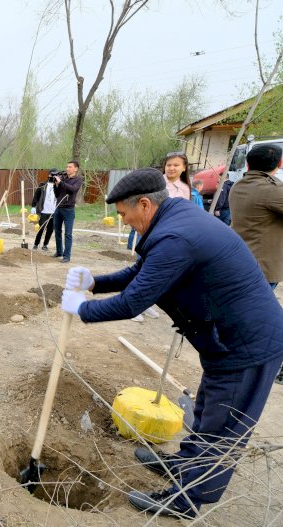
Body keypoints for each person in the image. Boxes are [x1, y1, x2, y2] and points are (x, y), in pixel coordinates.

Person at [61, 167, 283, 519]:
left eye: (124, 214)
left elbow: (134, 301)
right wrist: (95, 282)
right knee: (209, 407)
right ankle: (182, 464)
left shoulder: (175, 238)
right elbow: (141, 273)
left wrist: (84, 310)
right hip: (226, 341)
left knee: (222, 427)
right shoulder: (174, 220)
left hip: (247, 345)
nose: (124, 222)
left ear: (145, 204)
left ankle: (185, 501)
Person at [229, 143, 283, 385]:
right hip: (262, 267)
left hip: (240, 262)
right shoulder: (269, 191)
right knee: (264, 320)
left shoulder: (240, 185)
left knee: (247, 316)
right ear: (279, 164)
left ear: (248, 164)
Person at [51, 160, 83, 263]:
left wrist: (61, 183)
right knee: (57, 232)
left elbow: (72, 190)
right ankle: (59, 251)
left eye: (70, 167)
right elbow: (57, 195)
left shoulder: (78, 179)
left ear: (75, 168)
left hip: (69, 210)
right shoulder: (63, 178)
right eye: (67, 167)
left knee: (68, 234)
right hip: (58, 208)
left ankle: (66, 256)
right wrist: (55, 185)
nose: (67, 169)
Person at [31, 170, 57, 250]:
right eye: (53, 175)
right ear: (49, 175)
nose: (55, 176)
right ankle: (36, 244)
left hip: (54, 212)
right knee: (41, 229)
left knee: (50, 230)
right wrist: (33, 206)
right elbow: (36, 196)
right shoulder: (43, 185)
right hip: (44, 211)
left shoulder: (58, 185)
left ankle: (45, 245)